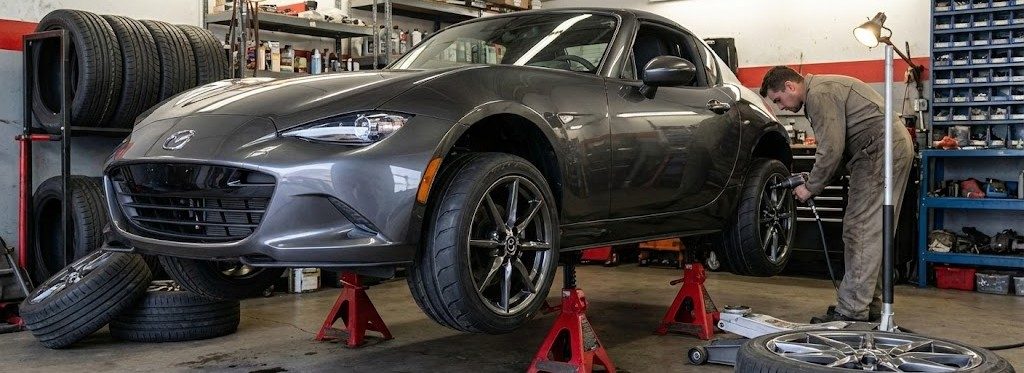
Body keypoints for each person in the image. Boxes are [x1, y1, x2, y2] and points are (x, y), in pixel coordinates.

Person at [759, 66, 914, 322]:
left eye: (778, 100)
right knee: (876, 230)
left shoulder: (819, 94)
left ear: (790, 86)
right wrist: (818, 180)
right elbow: (839, 152)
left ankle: (852, 310)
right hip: (885, 147)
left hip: (878, 150)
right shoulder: (824, 88)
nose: (781, 107)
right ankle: (868, 302)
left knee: (860, 228)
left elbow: (831, 149)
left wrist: (810, 187)